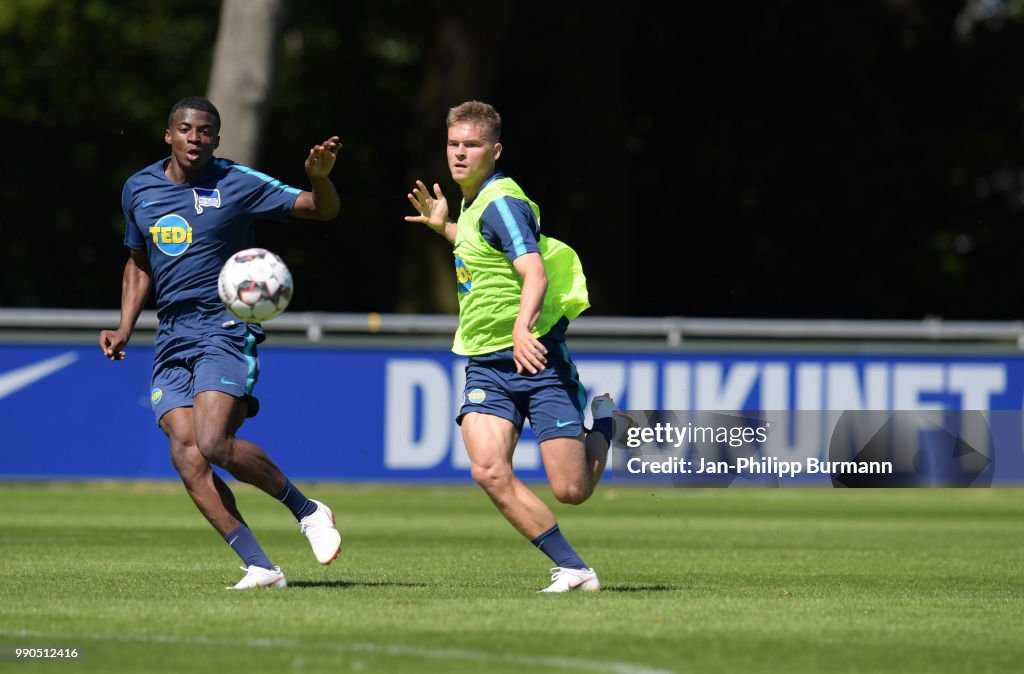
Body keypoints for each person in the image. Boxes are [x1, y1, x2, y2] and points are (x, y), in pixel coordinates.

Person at [99, 96, 342, 590]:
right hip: (172, 334)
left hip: (224, 327)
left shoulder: (237, 183)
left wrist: (320, 177)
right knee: (186, 454)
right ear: (169, 135)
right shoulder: (139, 189)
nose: (195, 138)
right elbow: (138, 261)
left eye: (206, 131)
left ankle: (309, 511)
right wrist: (124, 325)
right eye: (186, 129)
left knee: (212, 442)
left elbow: (321, 209)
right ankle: (261, 567)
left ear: (216, 139)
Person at [405, 100, 633, 592]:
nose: (460, 154)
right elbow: (485, 257)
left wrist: (521, 328)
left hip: (535, 357)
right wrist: (445, 227)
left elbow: (533, 272)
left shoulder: (503, 202)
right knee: (488, 470)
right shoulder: (472, 202)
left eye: (472, 145)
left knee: (571, 490)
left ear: (495, 149)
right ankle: (573, 568)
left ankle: (607, 421)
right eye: (454, 144)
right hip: (486, 364)